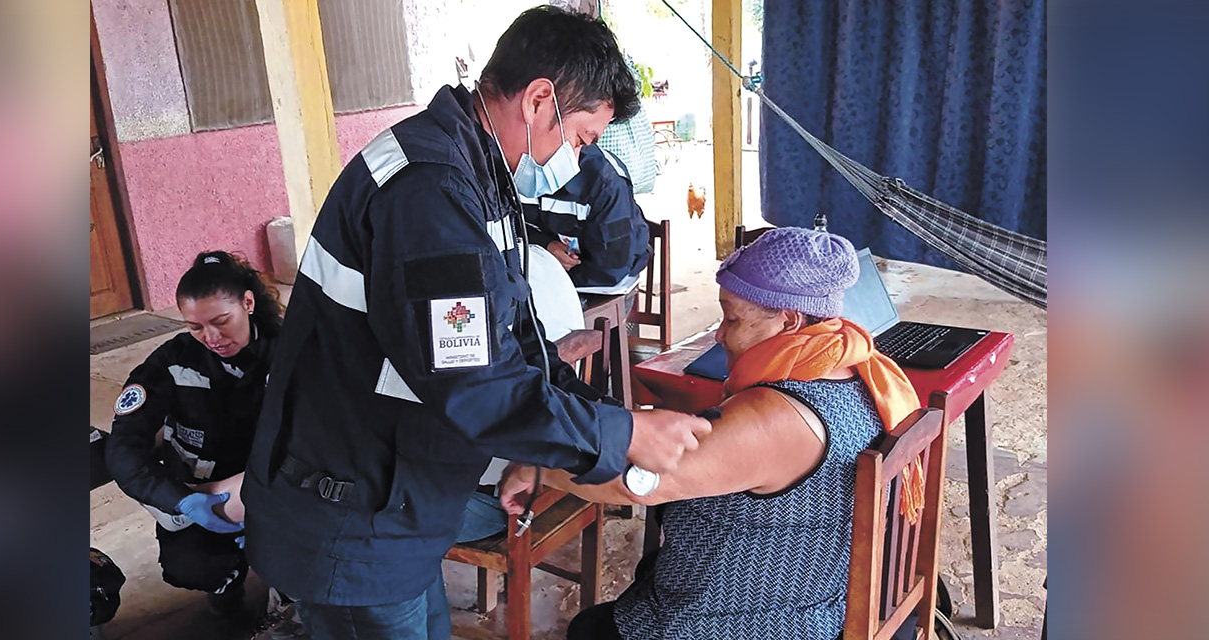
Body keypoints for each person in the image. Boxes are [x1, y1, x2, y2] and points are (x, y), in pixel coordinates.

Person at [240, 7, 711, 640]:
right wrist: (620, 434)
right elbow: (474, 382)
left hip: (396, 495)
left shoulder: (474, 171)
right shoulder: (428, 188)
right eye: (580, 138)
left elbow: (509, 337)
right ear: (539, 99)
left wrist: (550, 443)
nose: (576, 159)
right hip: (352, 512)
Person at [500, 227, 922, 640]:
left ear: (789, 320)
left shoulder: (777, 416)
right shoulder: (856, 366)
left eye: (732, 318)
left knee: (589, 629)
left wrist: (538, 473)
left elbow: (636, 486)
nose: (719, 334)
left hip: (761, 620)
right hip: (818, 593)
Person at [104, 251, 281, 615]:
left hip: (279, 486)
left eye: (221, 321)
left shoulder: (290, 354)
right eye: (195, 327)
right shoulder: (172, 363)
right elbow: (123, 447)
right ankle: (226, 585)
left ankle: (289, 593)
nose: (211, 337)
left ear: (248, 303)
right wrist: (179, 500)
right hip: (204, 494)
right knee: (192, 566)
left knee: (307, 561)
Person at [522, 143, 651, 294]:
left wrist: (552, 276)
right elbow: (512, 228)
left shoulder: (606, 182)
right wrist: (546, 245)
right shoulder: (518, 167)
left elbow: (610, 270)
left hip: (606, 283)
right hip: (548, 272)